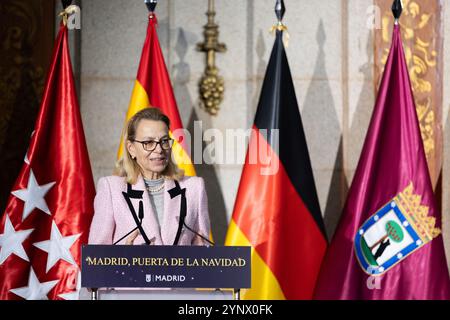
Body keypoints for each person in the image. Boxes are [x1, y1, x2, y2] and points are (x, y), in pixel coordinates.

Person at [88, 108, 211, 246]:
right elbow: (96, 257)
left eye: (164, 141)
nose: (159, 149)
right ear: (131, 148)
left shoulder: (194, 188)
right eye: (148, 143)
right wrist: (123, 257)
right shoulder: (111, 189)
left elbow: (203, 251)